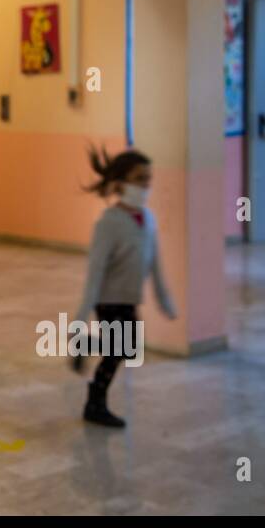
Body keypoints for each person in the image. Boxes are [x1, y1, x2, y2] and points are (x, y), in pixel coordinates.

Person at [73, 146, 177, 428]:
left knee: (125, 350)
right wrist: (81, 317)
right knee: (123, 349)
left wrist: (163, 298)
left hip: (130, 298)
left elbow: (154, 261)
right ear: (120, 183)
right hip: (108, 300)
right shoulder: (109, 223)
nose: (145, 185)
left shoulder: (148, 219)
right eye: (139, 179)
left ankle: (87, 348)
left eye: (148, 179)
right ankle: (95, 404)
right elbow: (94, 273)